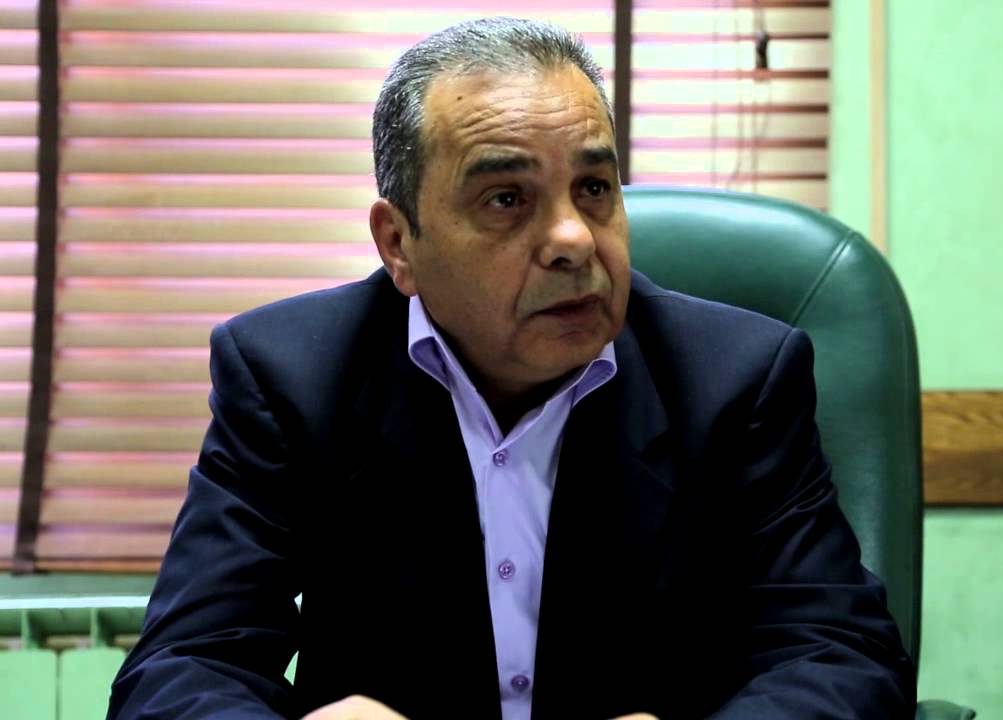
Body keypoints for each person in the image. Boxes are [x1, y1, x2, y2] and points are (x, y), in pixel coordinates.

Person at [106, 17, 913, 720]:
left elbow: (843, 659)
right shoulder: (293, 379)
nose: (573, 239)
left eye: (593, 188)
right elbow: (181, 669)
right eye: (506, 199)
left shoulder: (734, 381)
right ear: (399, 244)